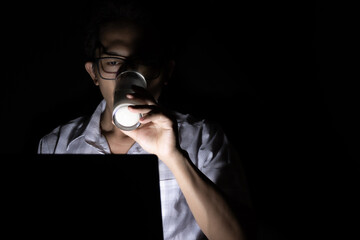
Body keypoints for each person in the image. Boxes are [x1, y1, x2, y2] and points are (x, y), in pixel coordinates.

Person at [38, 1, 254, 239]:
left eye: (144, 61)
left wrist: (173, 156)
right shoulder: (55, 145)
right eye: (112, 62)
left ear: (166, 73)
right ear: (94, 73)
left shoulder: (203, 139)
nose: (126, 75)